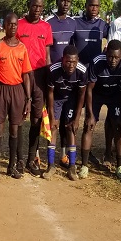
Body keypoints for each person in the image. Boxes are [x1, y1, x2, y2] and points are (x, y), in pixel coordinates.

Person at [80, 40, 121, 179]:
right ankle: (84, 166)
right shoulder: (97, 61)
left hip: (115, 95)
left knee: (118, 127)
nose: (113, 60)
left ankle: (120, 166)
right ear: (106, 53)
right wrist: (90, 114)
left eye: (116, 57)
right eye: (110, 56)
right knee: (89, 126)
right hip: (97, 94)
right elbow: (89, 89)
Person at [0, 12, 32, 180]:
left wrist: (28, 99)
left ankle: (11, 166)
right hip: (2, 91)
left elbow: (26, 75)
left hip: (18, 91)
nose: (12, 27)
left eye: (15, 24)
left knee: (15, 129)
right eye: (9, 24)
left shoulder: (22, 48)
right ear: (4, 26)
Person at [17, 0, 53, 176]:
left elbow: (47, 54)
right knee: (19, 118)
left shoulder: (46, 27)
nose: (37, 10)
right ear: (28, 5)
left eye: (40, 7)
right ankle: (19, 159)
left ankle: (32, 158)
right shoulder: (19, 24)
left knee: (36, 119)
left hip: (39, 77)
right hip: (21, 75)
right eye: (34, 6)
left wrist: (48, 78)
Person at [45, 46, 87, 180]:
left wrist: (77, 118)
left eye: (74, 62)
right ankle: (50, 165)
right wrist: (52, 117)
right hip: (57, 98)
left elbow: (81, 95)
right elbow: (50, 94)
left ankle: (72, 167)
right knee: (53, 128)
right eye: (68, 61)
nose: (71, 65)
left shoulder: (82, 70)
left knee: (70, 128)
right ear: (63, 59)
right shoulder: (53, 69)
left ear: (78, 60)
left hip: (71, 99)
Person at [70, 0, 110, 68]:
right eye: (92, 5)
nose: (94, 9)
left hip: (96, 68)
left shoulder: (102, 24)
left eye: (97, 6)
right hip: (78, 67)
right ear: (86, 5)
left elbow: (113, 36)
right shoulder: (75, 21)